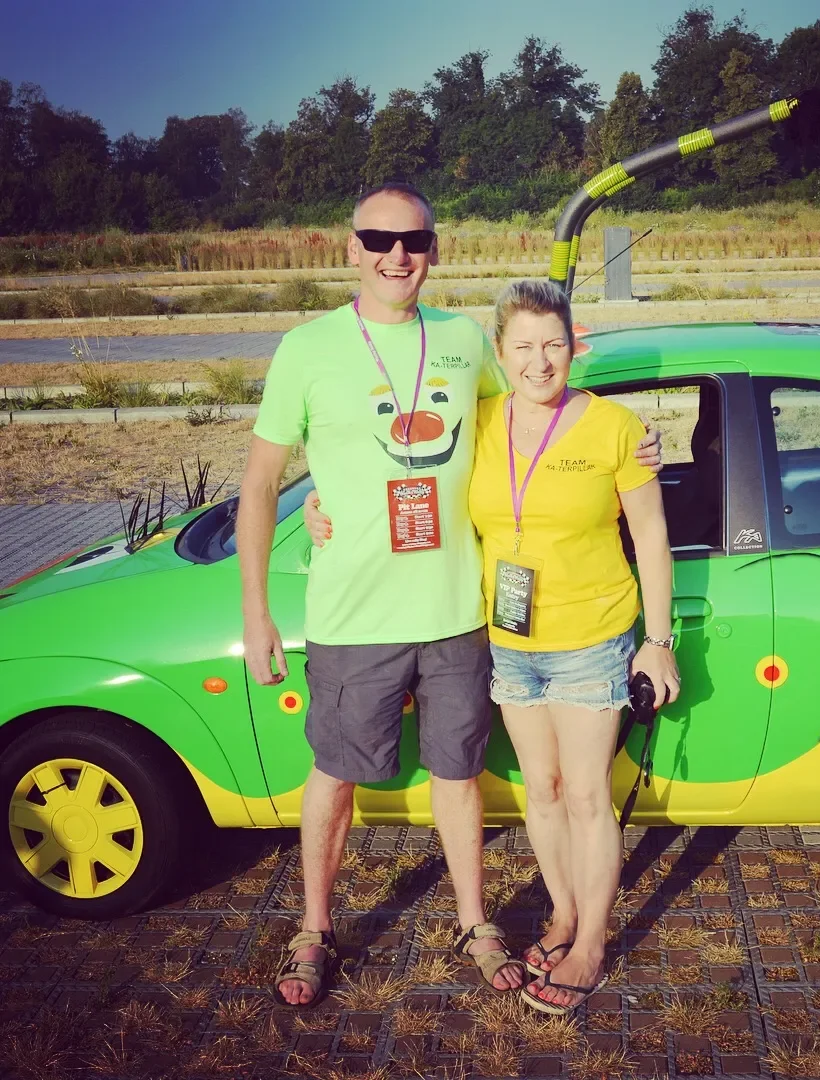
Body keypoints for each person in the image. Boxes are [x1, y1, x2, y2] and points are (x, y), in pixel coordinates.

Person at [236, 182, 661, 1008]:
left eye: (415, 241)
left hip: (462, 611)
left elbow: (536, 417)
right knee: (335, 774)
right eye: (380, 238)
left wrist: (633, 438)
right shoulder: (307, 347)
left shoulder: (465, 340)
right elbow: (259, 486)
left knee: (457, 775)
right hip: (353, 613)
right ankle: (315, 929)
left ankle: (474, 921)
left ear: (436, 250)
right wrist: (262, 600)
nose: (398, 254)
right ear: (351, 248)